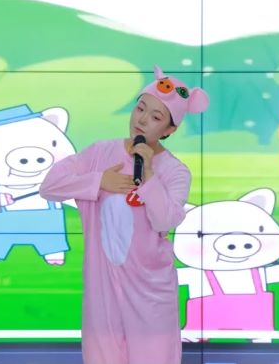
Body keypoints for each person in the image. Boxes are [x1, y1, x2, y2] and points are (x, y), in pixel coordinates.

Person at [39, 65, 209, 364]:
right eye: (140, 109)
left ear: (169, 130)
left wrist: (149, 176)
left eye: (156, 117)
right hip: (102, 288)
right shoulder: (99, 153)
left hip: (151, 292)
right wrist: (98, 181)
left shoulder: (175, 171)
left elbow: (165, 221)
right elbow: (50, 187)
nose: (142, 120)